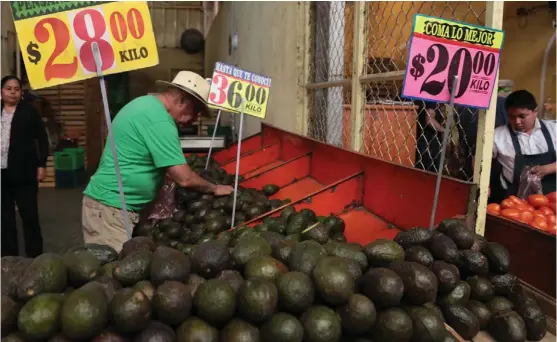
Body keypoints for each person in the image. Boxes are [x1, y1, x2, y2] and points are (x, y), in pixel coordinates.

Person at [82, 71, 234, 251]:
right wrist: (214, 188)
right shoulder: (158, 119)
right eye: (196, 111)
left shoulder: (145, 105)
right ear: (182, 100)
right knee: (110, 271)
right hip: (110, 210)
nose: (195, 119)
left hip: (113, 208)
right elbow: (184, 178)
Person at [1, 75, 49, 257]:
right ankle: (8, 257)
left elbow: (42, 139)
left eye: (16, 89)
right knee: (5, 220)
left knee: (29, 216)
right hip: (2, 175)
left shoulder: (29, 112)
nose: (12, 92)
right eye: (8, 88)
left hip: (24, 173)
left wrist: (41, 164)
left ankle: (35, 257)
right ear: (1, 92)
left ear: (21, 93)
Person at [490, 90, 556, 203]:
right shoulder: (498, 136)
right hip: (515, 203)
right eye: (511, 117)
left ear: (535, 111)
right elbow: (479, 159)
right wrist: (485, 184)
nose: (517, 121)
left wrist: (547, 169)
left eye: (522, 116)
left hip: (553, 202)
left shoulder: (553, 129)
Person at [415, 100, 445, 173]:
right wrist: (444, 130)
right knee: (431, 170)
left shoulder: (416, 97)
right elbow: (429, 119)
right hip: (429, 140)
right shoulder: (432, 99)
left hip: (416, 136)